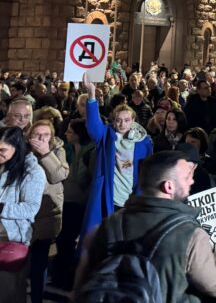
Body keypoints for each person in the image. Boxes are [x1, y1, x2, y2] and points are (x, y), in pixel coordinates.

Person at [75, 150, 216, 300]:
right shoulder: (190, 235)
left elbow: (80, 288)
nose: (192, 180)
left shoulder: (106, 226)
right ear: (168, 186)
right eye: (187, 177)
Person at [82, 72, 153, 238]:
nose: (122, 124)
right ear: (113, 121)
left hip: (133, 198)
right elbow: (93, 127)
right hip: (110, 196)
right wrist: (91, 94)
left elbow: (147, 170)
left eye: (126, 120)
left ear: (133, 120)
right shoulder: (107, 135)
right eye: (118, 120)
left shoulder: (144, 141)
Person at [0, 126, 46, 299]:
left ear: (16, 147)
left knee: (8, 293)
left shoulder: (33, 172)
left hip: (10, 239)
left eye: (2, 150)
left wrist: (2, 208)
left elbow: (31, 208)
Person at [28, 119, 69, 303]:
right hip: (25, 213)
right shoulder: (22, 151)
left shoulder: (58, 150)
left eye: (46, 135)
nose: (41, 138)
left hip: (47, 213)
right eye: (37, 135)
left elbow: (59, 176)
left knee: (39, 260)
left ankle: (37, 297)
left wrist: (45, 154)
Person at [52, 118, 94, 289]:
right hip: (67, 200)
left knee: (68, 240)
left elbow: (85, 179)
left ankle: (66, 278)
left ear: (79, 135)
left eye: (70, 131)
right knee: (63, 240)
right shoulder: (68, 149)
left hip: (79, 202)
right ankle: (59, 275)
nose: (66, 134)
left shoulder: (90, 152)